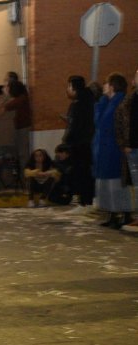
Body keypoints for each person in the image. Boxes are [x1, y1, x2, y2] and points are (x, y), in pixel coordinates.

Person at [93, 73, 135, 229]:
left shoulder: (122, 102)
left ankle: (124, 213)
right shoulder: (107, 102)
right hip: (104, 149)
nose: (103, 86)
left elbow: (123, 126)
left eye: (105, 83)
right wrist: (102, 101)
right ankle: (111, 213)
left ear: (112, 86)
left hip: (115, 148)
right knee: (106, 184)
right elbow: (98, 122)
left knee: (118, 183)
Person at [61, 75, 95, 214]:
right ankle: (85, 201)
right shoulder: (88, 101)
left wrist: (67, 139)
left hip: (81, 144)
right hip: (85, 143)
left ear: (75, 88)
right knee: (84, 172)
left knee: (81, 173)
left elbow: (75, 126)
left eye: (69, 86)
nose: (67, 90)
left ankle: (85, 203)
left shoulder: (79, 104)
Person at [116, 67, 138, 232]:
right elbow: (124, 122)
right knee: (136, 185)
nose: (134, 78)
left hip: (134, 146)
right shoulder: (132, 99)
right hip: (131, 148)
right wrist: (125, 143)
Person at [0, 80, 32, 175]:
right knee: (20, 153)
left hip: (22, 128)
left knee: (23, 154)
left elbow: (4, 108)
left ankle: (25, 178)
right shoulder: (22, 98)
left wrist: (6, 96)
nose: (7, 90)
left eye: (8, 88)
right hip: (19, 128)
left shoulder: (20, 99)